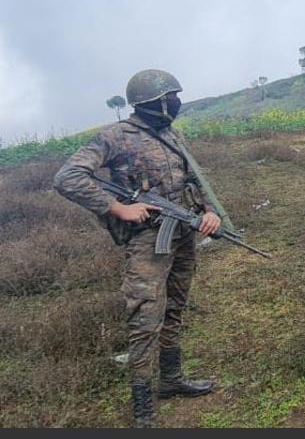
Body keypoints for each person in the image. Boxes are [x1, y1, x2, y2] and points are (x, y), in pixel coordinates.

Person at [53, 70, 219, 427]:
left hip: (184, 232)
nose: (176, 102)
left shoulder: (172, 134)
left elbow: (192, 177)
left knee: (175, 306)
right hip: (147, 241)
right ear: (155, 102)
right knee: (145, 319)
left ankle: (171, 380)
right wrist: (117, 208)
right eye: (171, 97)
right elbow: (68, 177)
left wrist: (209, 212)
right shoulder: (116, 136)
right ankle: (143, 410)